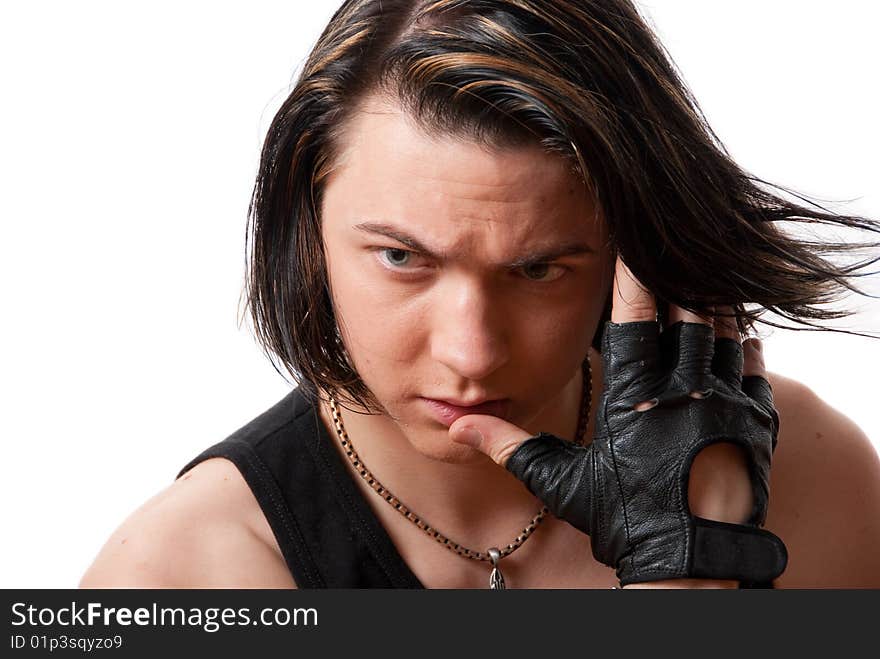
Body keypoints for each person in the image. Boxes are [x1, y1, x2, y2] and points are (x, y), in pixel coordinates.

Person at [79, 0, 880, 589]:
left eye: (538, 269)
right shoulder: (179, 575)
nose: (471, 351)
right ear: (307, 233)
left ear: (629, 258)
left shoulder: (806, 477)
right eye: (401, 257)